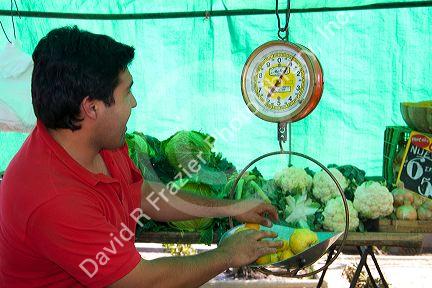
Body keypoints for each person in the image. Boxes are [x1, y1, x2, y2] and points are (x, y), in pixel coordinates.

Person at [0, 26, 282, 288]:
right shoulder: (53, 198)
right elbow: (142, 282)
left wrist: (230, 208)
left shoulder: (99, 140)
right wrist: (227, 255)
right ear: (92, 108)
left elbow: (144, 195)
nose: (134, 102)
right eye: (127, 92)